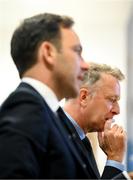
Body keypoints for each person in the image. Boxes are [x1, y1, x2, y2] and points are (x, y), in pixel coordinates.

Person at [0, 13, 89, 178]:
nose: (85, 65)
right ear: (48, 52)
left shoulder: (46, 112)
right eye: (77, 51)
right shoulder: (25, 111)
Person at [62, 63, 130, 179]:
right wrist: (115, 159)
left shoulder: (81, 139)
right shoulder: (57, 138)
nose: (117, 110)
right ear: (84, 97)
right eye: (112, 100)